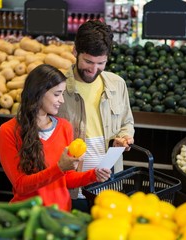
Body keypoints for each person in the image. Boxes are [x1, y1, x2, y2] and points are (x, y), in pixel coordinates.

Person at [0, 64, 111, 211]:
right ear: (38, 93)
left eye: (62, 94)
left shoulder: (65, 127)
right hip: (28, 217)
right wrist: (59, 168)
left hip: (61, 216)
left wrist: (93, 175)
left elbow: (67, 179)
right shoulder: (8, 131)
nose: (62, 100)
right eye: (57, 94)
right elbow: (21, 185)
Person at [56, 20, 135, 212]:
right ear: (75, 52)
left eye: (101, 63)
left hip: (110, 184)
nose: (93, 69)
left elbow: (127, 122)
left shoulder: (117, 84)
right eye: (88, 61)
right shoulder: (57, 86)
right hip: (71, 188)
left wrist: (124, 138)